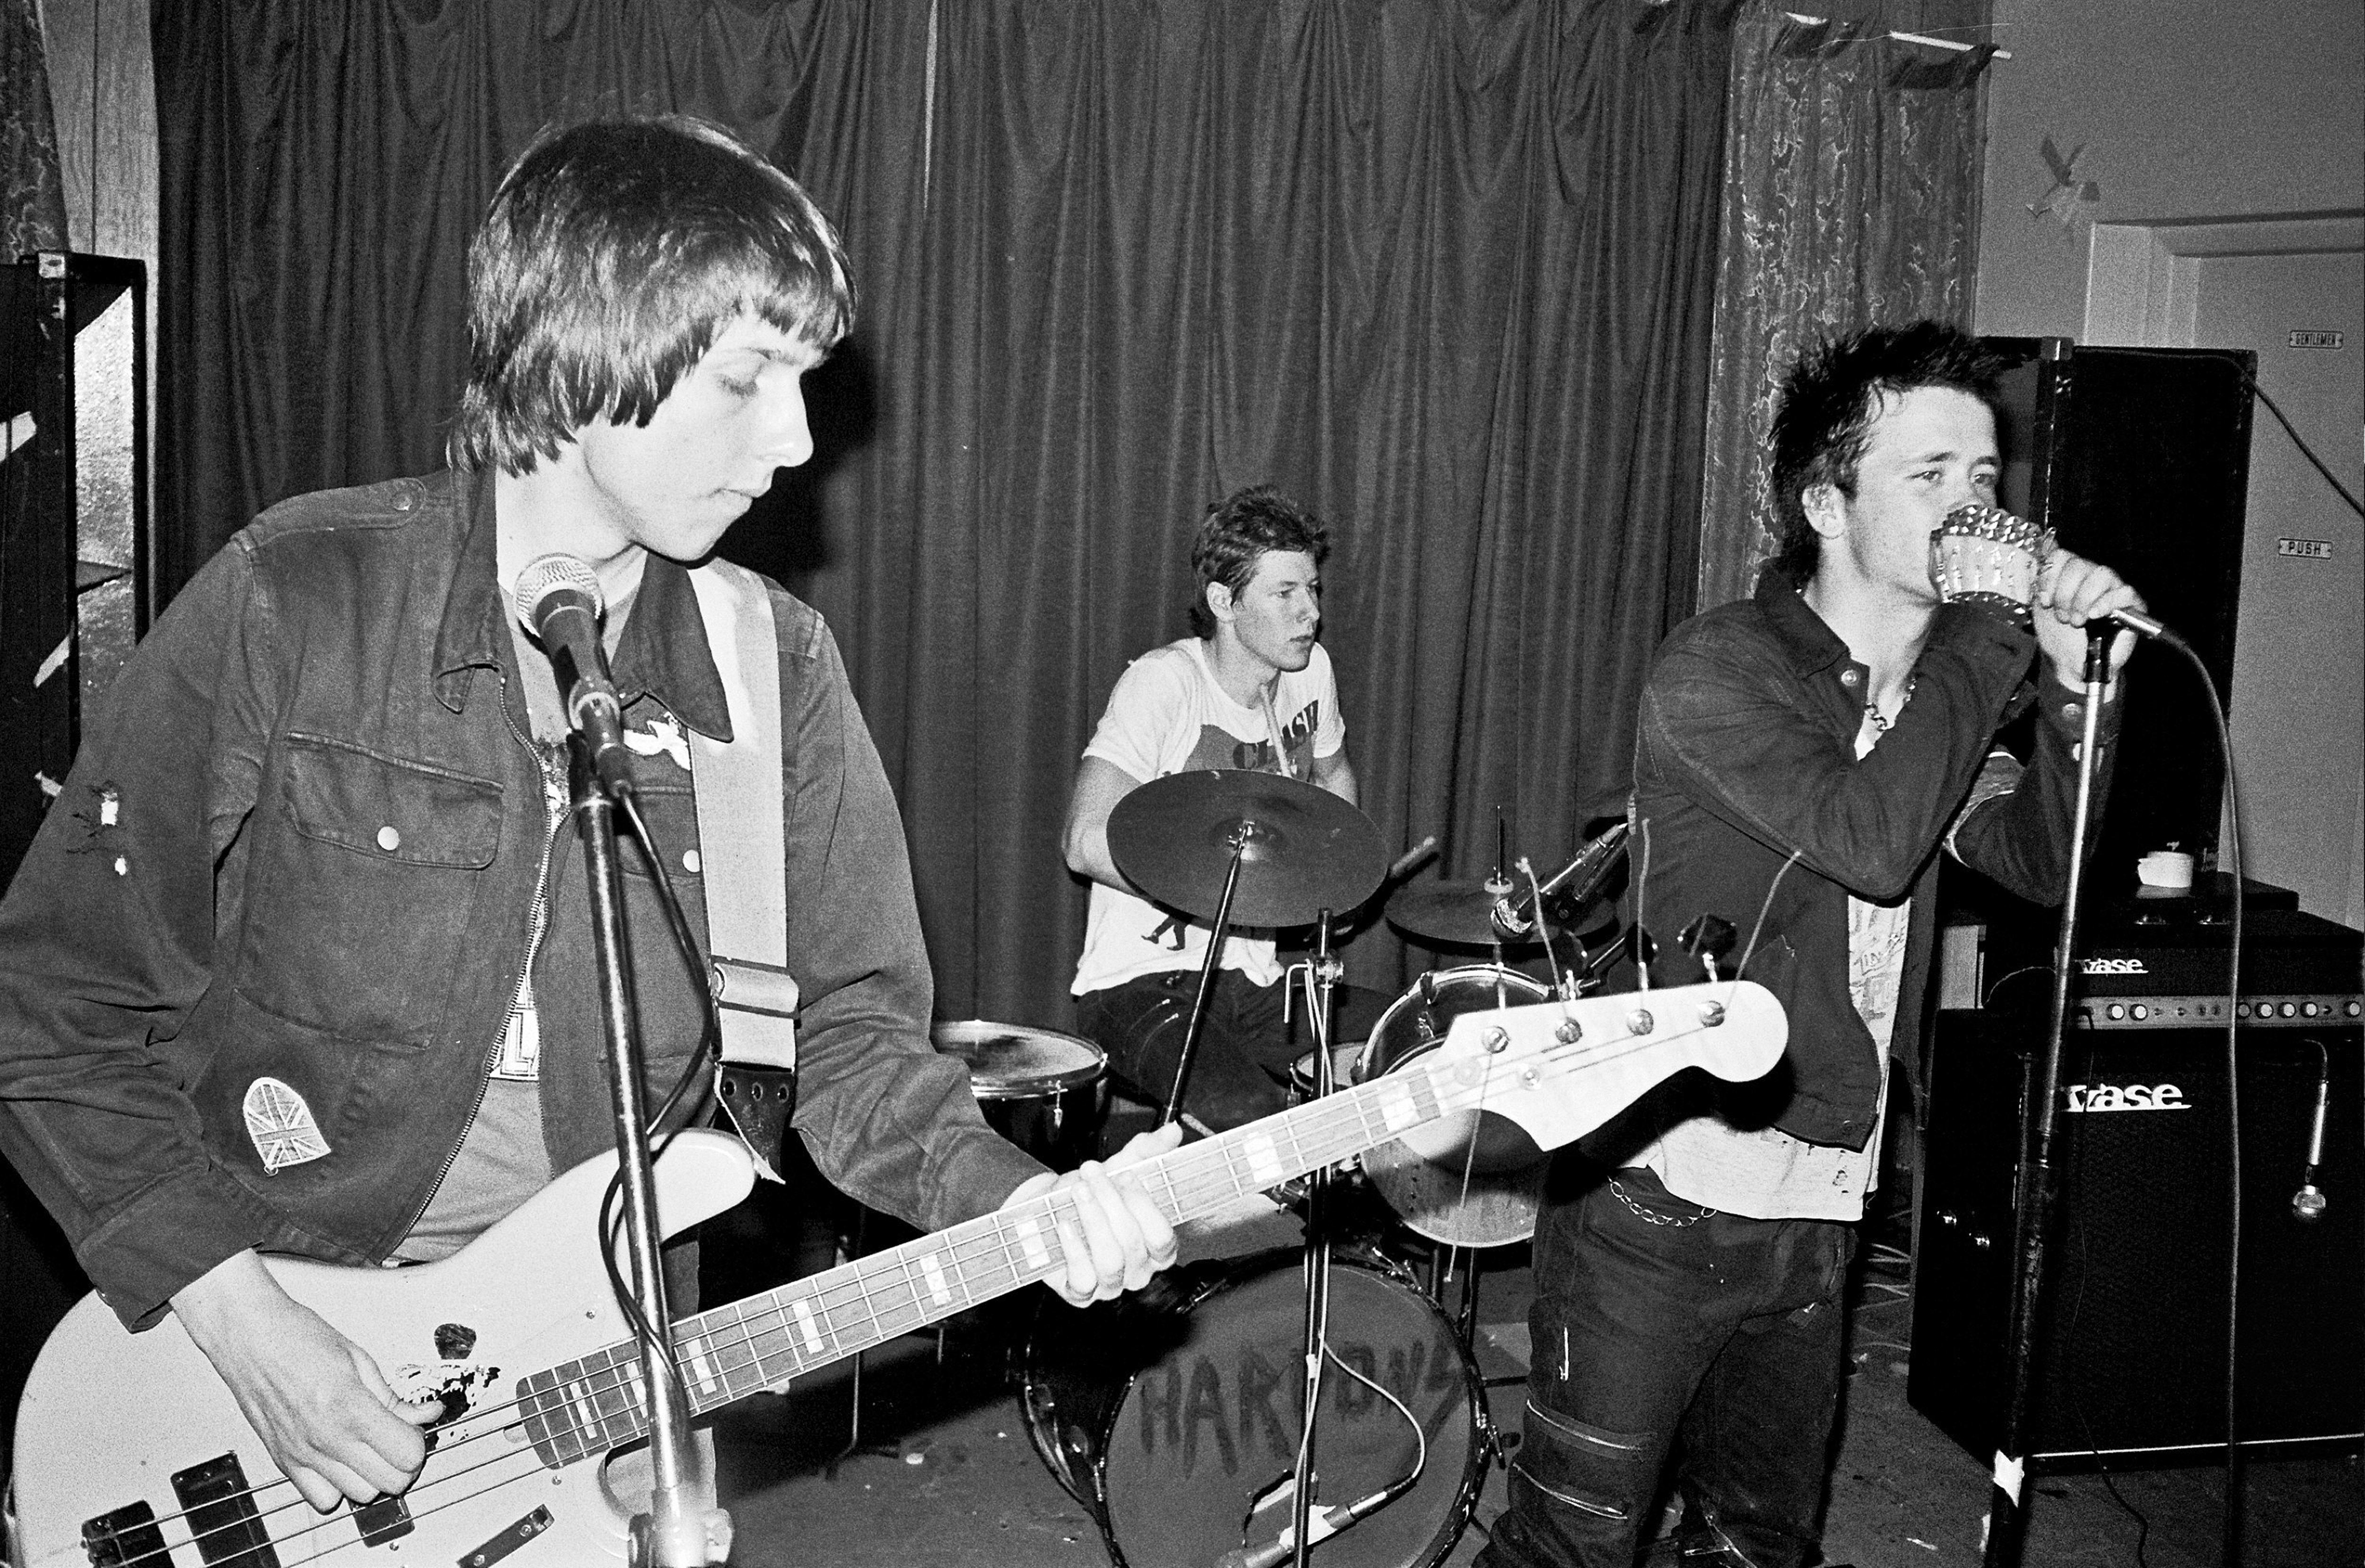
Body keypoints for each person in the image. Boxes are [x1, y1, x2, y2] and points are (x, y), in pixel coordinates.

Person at [0, 115, 1174, 1523]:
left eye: (803, 384)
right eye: (748, 379)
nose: (798, 440)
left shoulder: (772, 668)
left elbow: (854, 1051)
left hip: (602, 1397)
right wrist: (254, 1335)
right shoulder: (297, 601)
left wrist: (1020, 1207)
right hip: (262, 1370)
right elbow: (49, 1003)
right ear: (586, 354)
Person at [1477, 322, 2146, 1568]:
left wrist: (2069, 691)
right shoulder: (1720, 666)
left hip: (1821, 1194)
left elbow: (2040, 860)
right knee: (1569, 1546)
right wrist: (1999, 628)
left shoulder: (1934, 698)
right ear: (1828, 502)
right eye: (1932, 473)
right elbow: (1870, 838)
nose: (1977, 507)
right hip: (1657, 1196)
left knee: (1758, 1541)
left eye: (1988, 478)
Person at [1061, 486, 1358, 1133]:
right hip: (1143, 981)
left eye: (1312, 589)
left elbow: (1334, 770)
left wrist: (1329, 875)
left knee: (1414, 1042)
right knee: (1268, 1134)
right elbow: (1083, 841)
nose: (1310, 611)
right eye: (1286, 594)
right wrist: (1236, 888)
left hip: (1256, 979)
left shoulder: (1312, 673)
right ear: (1225, 602)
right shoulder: (1165, 683)